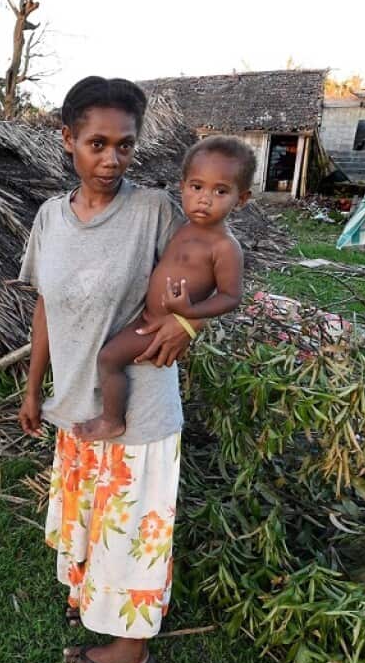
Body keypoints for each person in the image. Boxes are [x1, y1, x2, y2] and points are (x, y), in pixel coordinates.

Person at [18, 76, 199, 663]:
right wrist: (33, 387)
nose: (111, 158)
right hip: (74, 404)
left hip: (139, 410)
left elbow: (203, 271)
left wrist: (189, 325)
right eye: (97, 143)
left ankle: (129, 652)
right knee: (92, 521)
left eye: (124, 145)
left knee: (130, 535)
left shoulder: (152, 212)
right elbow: (45, 304)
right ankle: (89, 601)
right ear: (68, 140)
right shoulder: (49, 218)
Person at [75, 136, 253, 441]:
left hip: (157, 327)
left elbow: (231, 296)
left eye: (220, 191)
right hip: (145, 316)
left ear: (241, 199)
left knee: (108, 358)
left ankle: (112, 420)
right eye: (197, 187)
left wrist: (190, 315)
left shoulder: (224, 247)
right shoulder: (182, 226)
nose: (205, 199)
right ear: (182, 186)